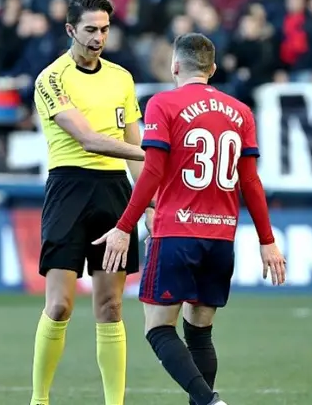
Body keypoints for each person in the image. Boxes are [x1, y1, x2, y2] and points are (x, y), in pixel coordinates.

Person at [93, 33, 287, 405]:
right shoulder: (240, 112)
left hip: (177, 232)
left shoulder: (162, 104)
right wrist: (267, 240)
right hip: (220, 238)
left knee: (158, 328)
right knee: (199, 333)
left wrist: (123, 226)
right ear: (212, 69)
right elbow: (251, 181)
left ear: (175, 66)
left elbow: (151, 171)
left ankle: (210, 401)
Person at [29, 0, 146, 405]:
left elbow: (132, 142)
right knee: (59, 305)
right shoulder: (51, 79)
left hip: (114, 191)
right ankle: (39, 399)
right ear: (70, 31)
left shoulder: (121, 78)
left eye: (104, 29)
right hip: (69, 188)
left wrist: (148, 199)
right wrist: (156, 153)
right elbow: (88, 139)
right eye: (91, 30)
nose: (99, 38)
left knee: (111, 306)